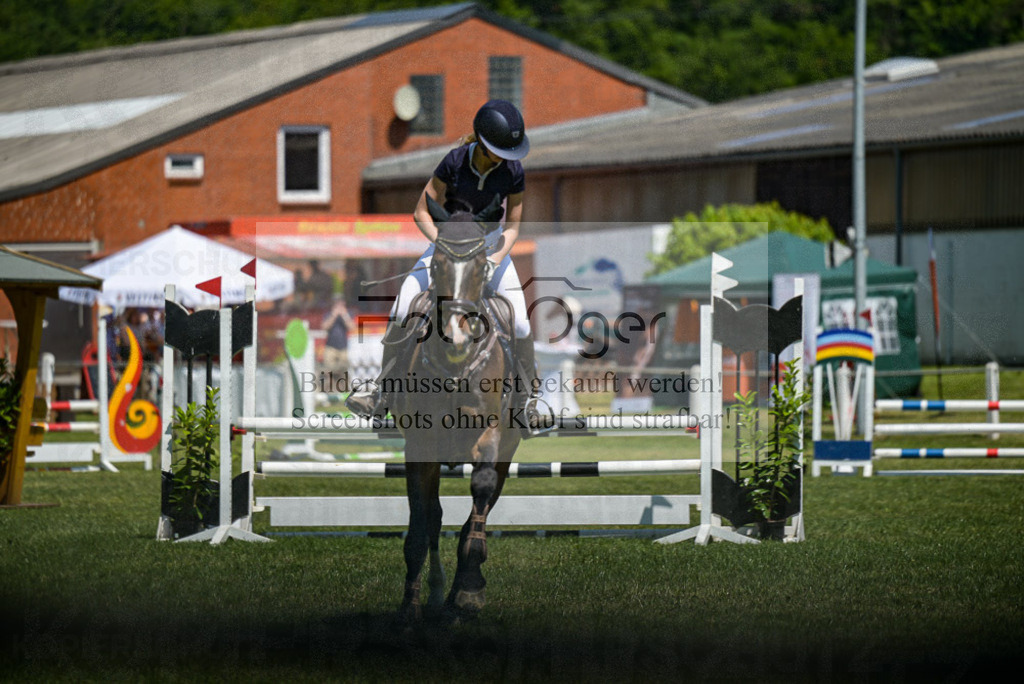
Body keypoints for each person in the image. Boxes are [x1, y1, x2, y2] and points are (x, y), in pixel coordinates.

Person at [346, 99, 545, 434]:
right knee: (403, 305)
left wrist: (493, 260)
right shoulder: (454, 161)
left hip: (491, 247)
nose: (507, 159)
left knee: (521, 322)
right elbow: (421, 212)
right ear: (482, 143)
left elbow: (512, 227)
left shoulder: (513, 171)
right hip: (447, 243)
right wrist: (446, 245)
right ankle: (382, 394)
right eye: (501, 151)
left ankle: (527, 401)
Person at [322, 295, 354, 378]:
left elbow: (352, 327)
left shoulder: (348, 314)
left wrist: (344, 315)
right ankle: (330, 388)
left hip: (343, 347)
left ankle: (344, 388)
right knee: (329, 371)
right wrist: (333, 315)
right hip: (330, 347)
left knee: (344, 372)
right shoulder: (328, 314)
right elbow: (324, 327)